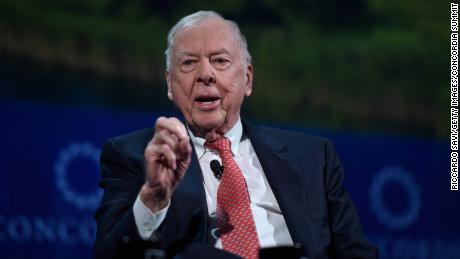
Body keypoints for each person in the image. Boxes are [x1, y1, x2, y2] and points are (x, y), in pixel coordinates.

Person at [94, 10, 378, 259]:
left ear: (248, 79)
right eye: (189, 63)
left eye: (220, 61)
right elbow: (109, 253)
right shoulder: (133, 155)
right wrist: (153, 198)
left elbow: (355, 252)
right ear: (170, 83)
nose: (205, 74)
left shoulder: (314, 157)